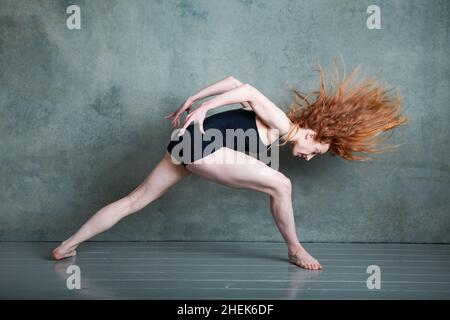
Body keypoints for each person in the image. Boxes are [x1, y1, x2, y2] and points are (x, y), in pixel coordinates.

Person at [52, 61, 408, 270]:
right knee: (282, 184)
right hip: (200, 144)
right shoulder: (285, 124)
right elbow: (249, 90)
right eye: (314, 150)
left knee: (134, 200)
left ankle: (67, 244)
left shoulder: (280, 128)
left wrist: (196, 97)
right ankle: (294, 249)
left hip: (186, 145)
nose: (309, 156)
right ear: (311, 133)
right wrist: (204, 108)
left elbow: (235, 82)